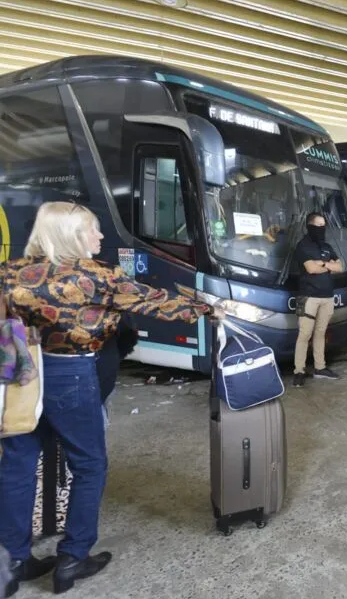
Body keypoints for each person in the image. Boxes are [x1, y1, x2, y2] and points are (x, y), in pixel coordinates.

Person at [0, 202, 219, 596]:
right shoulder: (97, 276)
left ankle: (13, 560)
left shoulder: (11, 273)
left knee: (18, 464)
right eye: (94, 230)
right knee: (89, 464)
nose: (101, 238)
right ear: (72, 235)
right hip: (71, 375)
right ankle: (72, 557)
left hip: (21, 376)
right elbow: (157, 302)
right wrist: (209, 308)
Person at [293, 212, 342, 386]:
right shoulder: (303, 246)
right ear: (310, 226)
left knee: (320, 333)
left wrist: (324, 264)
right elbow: (311, 269)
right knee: (304, 334)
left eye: (324, 226)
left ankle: (320, 367)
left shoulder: (327, 246)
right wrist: (328, 265)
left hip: (327, 297)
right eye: (319, 226)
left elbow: (340, 266)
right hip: (309, 297)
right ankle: (299, 370)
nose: (322, 229)